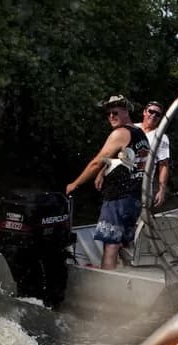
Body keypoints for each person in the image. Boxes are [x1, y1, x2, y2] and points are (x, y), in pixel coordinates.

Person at [66, 95, 150, 270]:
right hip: (133, 199)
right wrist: (103, 172)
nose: (111, 116)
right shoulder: (139, 134)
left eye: (115, 112)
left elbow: (97, 161)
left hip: (117, 199)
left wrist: (75, 184)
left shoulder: (120, 133)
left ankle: (106, 287)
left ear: (126, 111)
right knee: (124, 245)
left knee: (110, 246)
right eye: (108, 114)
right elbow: (126, 159)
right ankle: (127, 280)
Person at [139, 101, 171, 207]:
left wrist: (162, 190)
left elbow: (164, 165)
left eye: (157, 114)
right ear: (144, 112)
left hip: (142, 187)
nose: (153, 115)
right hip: (120, 183)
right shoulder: (131, 129)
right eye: (151, 111)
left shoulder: (161, 137)